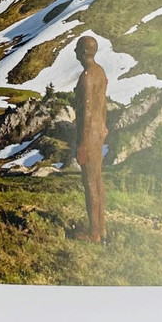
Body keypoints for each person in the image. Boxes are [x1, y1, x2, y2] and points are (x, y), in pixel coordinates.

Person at [73, 35, 108, 242]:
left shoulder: (86, 76)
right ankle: (100, 228)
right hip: (99, 131)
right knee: (98, 180)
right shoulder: (100, 72)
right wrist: (104, 125)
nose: (75, 53)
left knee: (90, 183)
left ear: (85, 52)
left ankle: (93, 232)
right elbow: (102, 104)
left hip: (89, 134)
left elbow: (86, 111)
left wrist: (82, 144)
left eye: (77, 49)